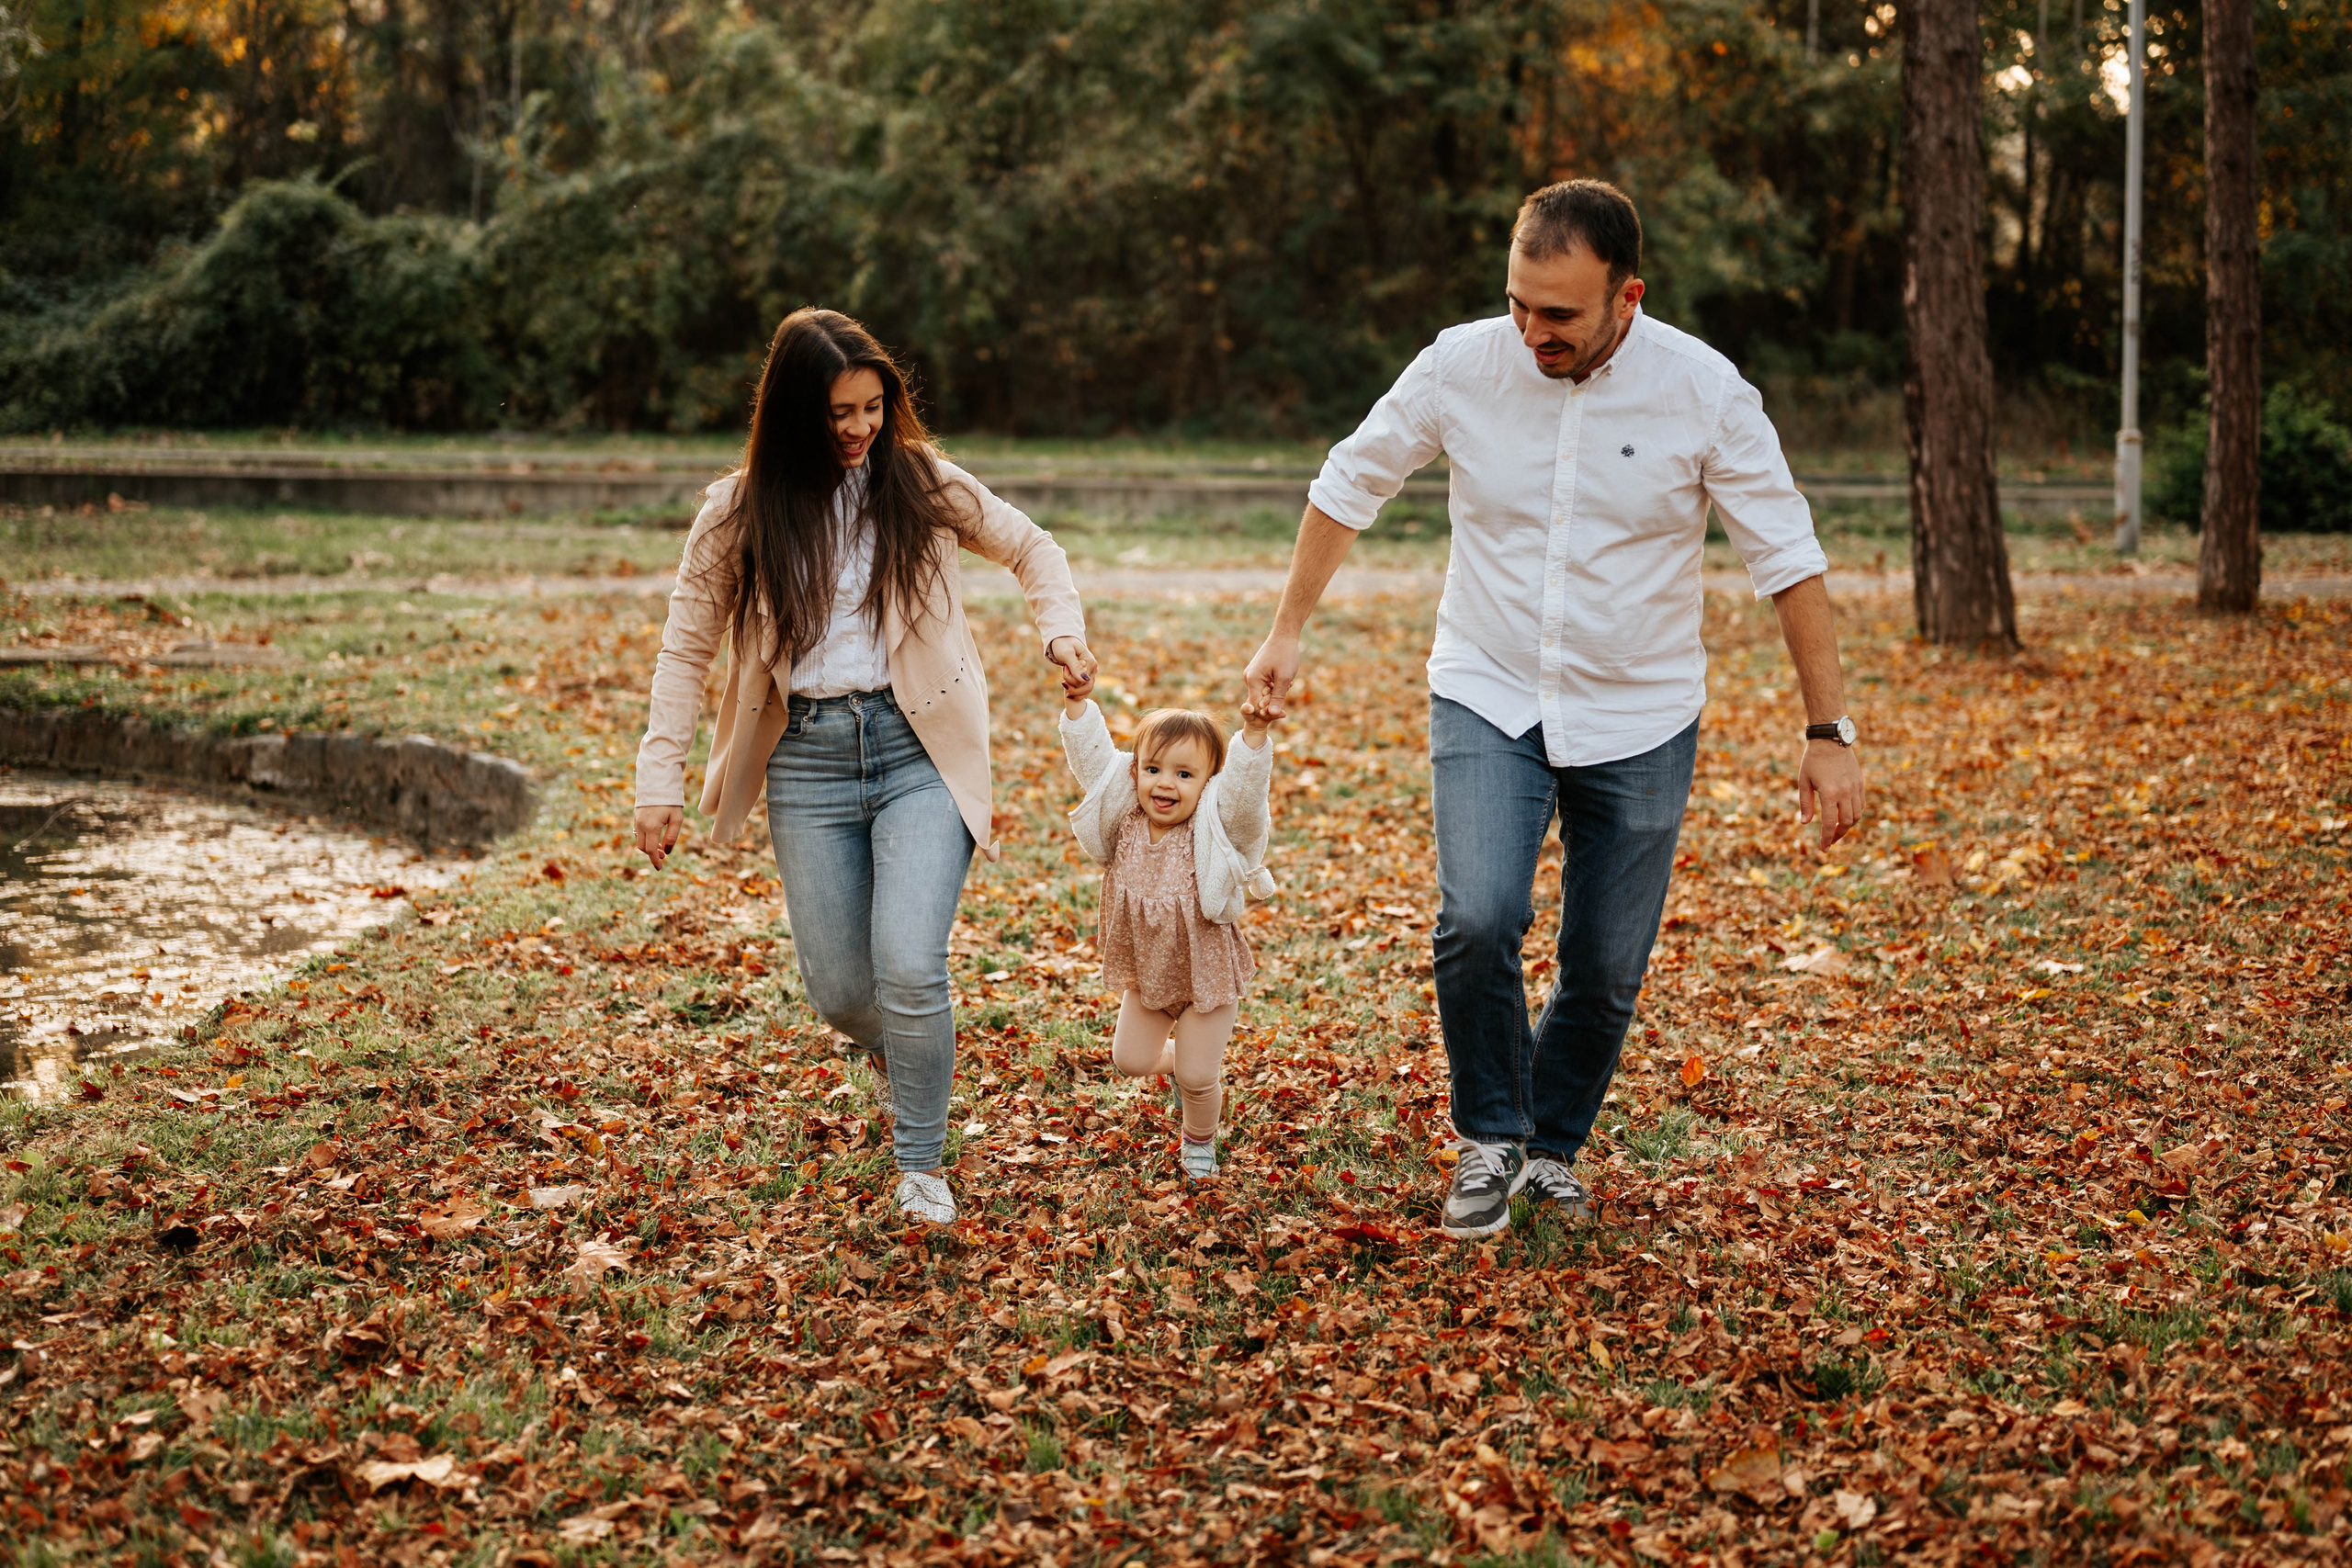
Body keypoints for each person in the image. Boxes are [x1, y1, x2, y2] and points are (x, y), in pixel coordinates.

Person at [1243, 179, 1866, 1240]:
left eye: (1560, 315)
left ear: (1627, 295)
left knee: (1605, 970)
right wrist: (1287, 628)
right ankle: (1490, 1136)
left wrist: (1827, 732)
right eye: (1519, 304)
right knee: (1477, 918)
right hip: (1487, 688)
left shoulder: (1704, 392)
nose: (1532, 331)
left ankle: (1552, 1148)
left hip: (1641, 711)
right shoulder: (1460, 363)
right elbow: (1351, 480)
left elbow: (1787, 560)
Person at [633, 308, 1098, 1227]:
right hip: (803, 762)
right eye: (838, 413)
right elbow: (684, 651)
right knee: (843, 992)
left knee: (911, 967)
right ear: (793, 412)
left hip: (916, 748)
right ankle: (906, 1049)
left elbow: (1030, 546)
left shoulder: (917, 481)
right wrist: (660, 780)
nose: (859, 430)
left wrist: (1062, 630)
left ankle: (921, 1161)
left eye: (872, 408)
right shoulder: (735, 512)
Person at [1058, 696, 1280, 1179]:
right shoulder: (1122, 818)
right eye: (1154, 769)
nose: (1165, 783)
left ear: (1208, 784)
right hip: (1148, 974)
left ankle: (1199, 1142)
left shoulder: (1214, 828)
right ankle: (1185, 1067)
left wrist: (1254, 735)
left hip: (1208, 977)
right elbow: (1095, 764)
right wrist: (1078, 706)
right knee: (1130, 1061)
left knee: (1200, 1077)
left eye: (1185, 774)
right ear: (1135, 771)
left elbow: (1245, 798)